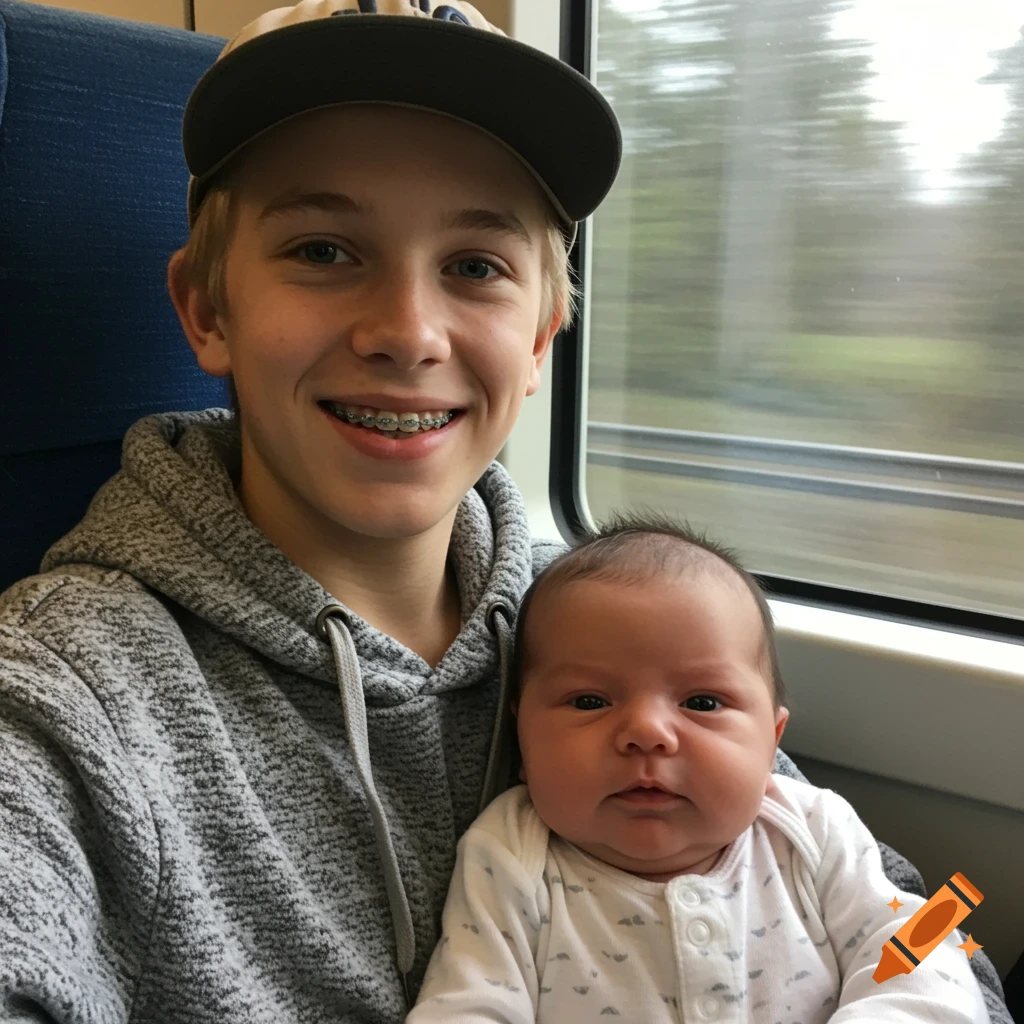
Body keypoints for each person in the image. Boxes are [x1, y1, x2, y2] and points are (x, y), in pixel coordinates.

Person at [0, 1, 1009, 1023]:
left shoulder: (611, 620)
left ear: (540, 339)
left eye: (476, 267)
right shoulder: (71, 692)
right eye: (321, 250)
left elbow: (927, 941)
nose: (407, 331)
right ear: (208, 310)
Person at [407, 515, 991, 1023]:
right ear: (522, 738)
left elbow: (924, 941)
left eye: (702, 703)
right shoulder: (508, 855)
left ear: (772, 744)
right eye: (589, 701)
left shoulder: (813, 826)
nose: (647, 734)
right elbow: (470, 1003)